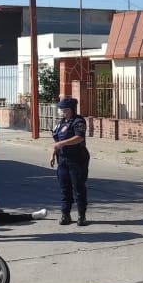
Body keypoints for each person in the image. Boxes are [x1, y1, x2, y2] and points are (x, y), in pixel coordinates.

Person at [50, 96, 90, 226]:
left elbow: (79, 137)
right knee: (64, 188)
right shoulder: (61, 123)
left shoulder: (78, 122)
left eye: (64, 109)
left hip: (77, 159)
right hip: (62, 159)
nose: (61, 112)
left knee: (78, 187)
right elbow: (57, 142)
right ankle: (65, 214)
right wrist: (53, 154)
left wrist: (62, 143)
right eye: (61, 109)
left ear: (71, 109)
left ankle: (81, 215)